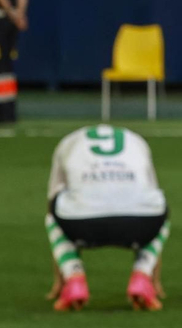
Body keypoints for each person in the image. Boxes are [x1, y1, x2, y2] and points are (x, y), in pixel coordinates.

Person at [45, 124, 170, 312]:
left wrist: (58, 278)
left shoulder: (69, 142)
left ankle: (73, 277)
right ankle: (142, 275)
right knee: (157, 207)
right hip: (141, 222)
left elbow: (52, 198)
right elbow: (150, 190)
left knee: (55, 213)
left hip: (81, 223)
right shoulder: (136, 139)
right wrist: (156, 279)